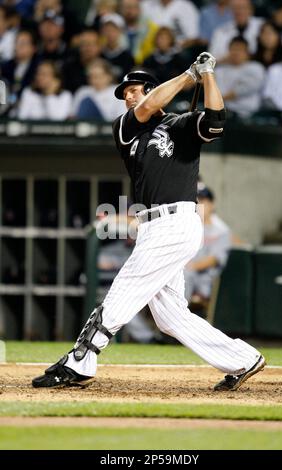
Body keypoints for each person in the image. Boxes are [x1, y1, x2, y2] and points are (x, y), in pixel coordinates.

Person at [32, 52, 265, 392]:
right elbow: (146, 108)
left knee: (124, 288)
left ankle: (81, 361)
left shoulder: (181, 125)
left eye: (134, 89)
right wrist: (190, 75)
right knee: (170, 317)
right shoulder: (127, 128)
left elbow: (216, 120)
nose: (128, 96)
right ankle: (242, 359)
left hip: (177, 222)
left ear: (153, 88)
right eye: (124, 91)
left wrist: (209, 75)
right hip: (153, 226)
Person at [184, 185, 231, 305]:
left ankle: (174, 316)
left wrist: (186, 266)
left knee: (184, 274)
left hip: (204, 281)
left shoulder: (221, 230)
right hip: (187, 276)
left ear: (212, 204)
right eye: (197, 201)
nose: (199, 205)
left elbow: (214, 259)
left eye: (203, 201)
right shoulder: (190, 226)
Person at [214, 36, 265, 117]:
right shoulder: (220, 70)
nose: (236, 53)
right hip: (223, 114)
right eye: (233, 49)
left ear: (247, 52)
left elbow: (243, 89)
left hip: (248, 115)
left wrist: (218, 100)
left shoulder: (255, 67)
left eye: (240, 49)